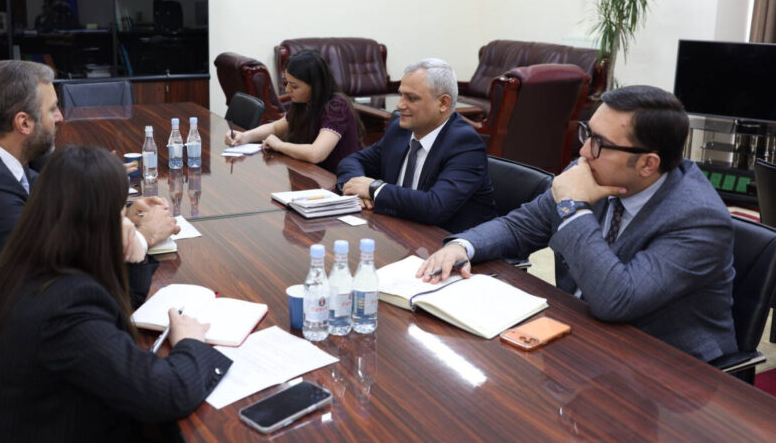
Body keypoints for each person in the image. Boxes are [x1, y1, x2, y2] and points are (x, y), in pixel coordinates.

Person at [418, 85, 736, 362]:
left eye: (599, 142)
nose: (583, 151)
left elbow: (617, 300)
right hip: (580, 331)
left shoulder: (698, 219)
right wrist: (463, 246)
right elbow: (520, 227)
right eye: (588, 133)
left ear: (647, 164)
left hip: (666, 367)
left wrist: (574, 209)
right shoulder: (592, 169)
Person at [0, 60, 178, 362]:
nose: (60, 117)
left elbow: (52, 207)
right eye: (52, 109)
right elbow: (62, 260)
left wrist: (120, 214)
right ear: (24, 123)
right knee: (121, 344)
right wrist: (143, 237)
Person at [0, 146, 230, 442]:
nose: (126, 222)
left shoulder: (23, 264)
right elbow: (164, 393)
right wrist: (191, 342)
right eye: (120, 213)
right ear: (96, 221)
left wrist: (133, 251)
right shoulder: (66, 308)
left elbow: (116, 312)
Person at [336, 58, 496, 233]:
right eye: (401, 95)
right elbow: (352, 161)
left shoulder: (465, 144)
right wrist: (357, 190)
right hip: (400, 231)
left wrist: (374, 189)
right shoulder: (399, 129)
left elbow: (434, 207)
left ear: (443, 103)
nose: (400, 105)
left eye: (412, 98)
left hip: (451, 240)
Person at [224, 50, 363, 173]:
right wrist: (245, 136)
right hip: (312, 173)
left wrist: (280, 145)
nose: (287, 90)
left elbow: (316, 154)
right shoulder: (304, 102)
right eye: (287, 83)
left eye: (294, 86)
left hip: (339, 179)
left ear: (315, 85)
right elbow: (276, 127)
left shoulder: (336, 106)